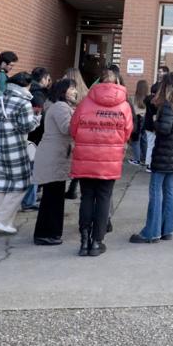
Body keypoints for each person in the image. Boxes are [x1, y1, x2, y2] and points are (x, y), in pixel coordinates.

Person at [69, 66, 133, 256]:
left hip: (86, 156)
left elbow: (73, 128)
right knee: (104, 198)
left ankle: (84, 240)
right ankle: (97, 242)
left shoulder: (85, 102)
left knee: (86, 197)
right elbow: (128, 132)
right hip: (109, 158)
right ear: (117, 82)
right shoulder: (124, 106)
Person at [131, 73, 173, 244]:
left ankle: (151, 232)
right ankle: (167, 229)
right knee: (169, 191)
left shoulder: (168, 106)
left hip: (164, 154)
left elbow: (164, 129)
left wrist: (155, 120)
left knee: (156, 192)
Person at [0, 71, 38, 236]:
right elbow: (26, 127)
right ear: (25, 86)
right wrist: (37, 119)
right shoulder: (23, 104)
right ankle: (1, 221)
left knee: (1, 186)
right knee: (21, 184)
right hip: (15, 149)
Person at [31, 78, 77, 245]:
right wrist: (78, 118)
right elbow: (67, 128)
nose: (75, 92)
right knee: (52, 197)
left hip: (54, 156)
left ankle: (49, 233)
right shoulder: (60, 107)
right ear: (63, 91)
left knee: (53, 196)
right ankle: (46, 234)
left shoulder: (59, 106)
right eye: (72, 89)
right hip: (54, 157)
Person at [21, 66, 51, 212]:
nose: (49, 82)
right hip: (36, 138)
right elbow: (40, 118)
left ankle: (29, 196)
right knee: (33, 169)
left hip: (28, 136)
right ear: (43, 79)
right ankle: (28, 200)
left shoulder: (28, 91)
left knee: (30, 168)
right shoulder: (38, 95)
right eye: (48, 79)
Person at [62, 67, 89, 200]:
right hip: (83, 129)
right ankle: (73, 187)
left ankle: (70, 187)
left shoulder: (69, 91)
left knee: (68, 158)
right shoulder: (86, 91)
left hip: (71, 125)